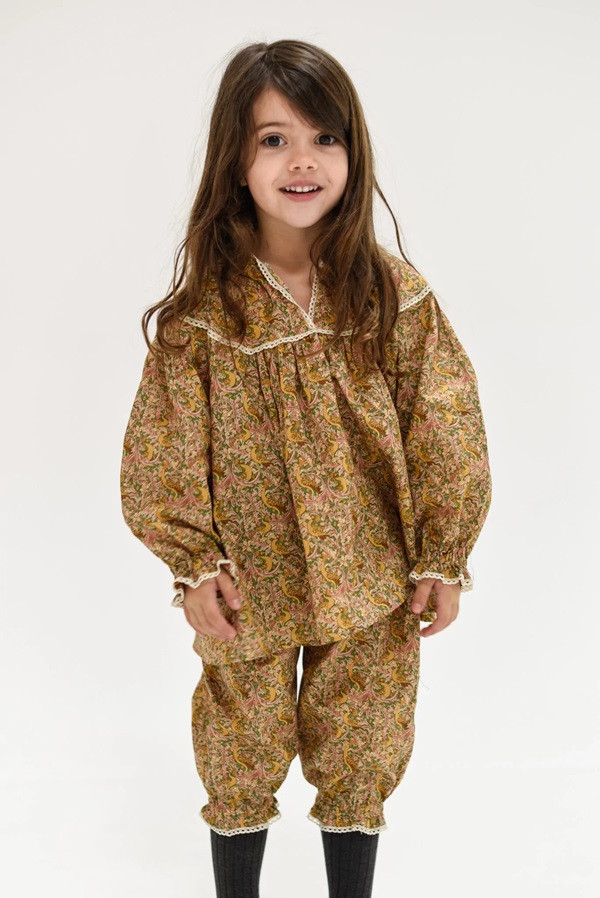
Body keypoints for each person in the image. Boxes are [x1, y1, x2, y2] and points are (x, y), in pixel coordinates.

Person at [120, 38, 492, 898]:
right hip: (249, 577)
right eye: (273, 139)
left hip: (373, 570)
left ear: (353, 153)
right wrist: (193, 562)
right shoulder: (205, 317)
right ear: (235, 159)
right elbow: (163, 445)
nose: (302, 161)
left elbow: (445, 422)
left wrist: (443, 555)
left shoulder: (392, 296)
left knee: (363, 734)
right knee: (240, 739)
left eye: (325, 138)